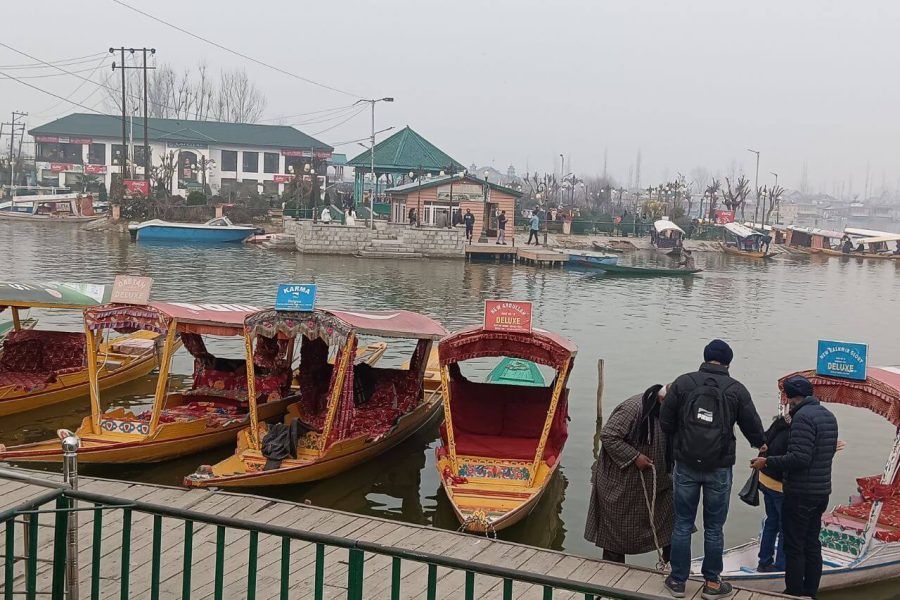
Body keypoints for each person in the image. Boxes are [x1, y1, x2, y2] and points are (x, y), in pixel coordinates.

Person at [660, 339, 766, 599]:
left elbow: (665, 422)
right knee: (714, 528)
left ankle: (677, 581)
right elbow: (753, 427)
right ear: (729, 362)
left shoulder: (683, 383)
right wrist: (762, 445)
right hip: (719, 467)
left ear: (705, 357)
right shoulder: (736, 389)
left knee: (682, 524)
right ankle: (712, 584)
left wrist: (681, 444)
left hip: (685, 464)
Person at [751, 375, 838, 599]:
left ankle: (794, 593)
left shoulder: (802, 419)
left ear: (791, 399)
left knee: (794, 545)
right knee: (812, 543)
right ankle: (810, 591)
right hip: (821, 491)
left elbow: (800, 458)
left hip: (800, 492)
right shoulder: (829, 417)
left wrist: (767, 461)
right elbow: (820, 454)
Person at [585, 384, 674, 565]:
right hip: (622, 484)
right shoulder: (634, 408)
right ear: (663, 399)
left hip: (659, 484)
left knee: (670, 524)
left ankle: (670, 566)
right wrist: (634, 456)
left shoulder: (668, 411)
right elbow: (608, 435)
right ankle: (611, 575)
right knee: (616, 533)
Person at [756, 412, 791, 573]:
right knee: (786, 527)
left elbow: (763, 443)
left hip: (764, 480)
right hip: (779, 486)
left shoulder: (778, 424)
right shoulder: (796, 432)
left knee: (772, 521)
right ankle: (781, 567)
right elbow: (795, 459)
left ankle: (764, 561)